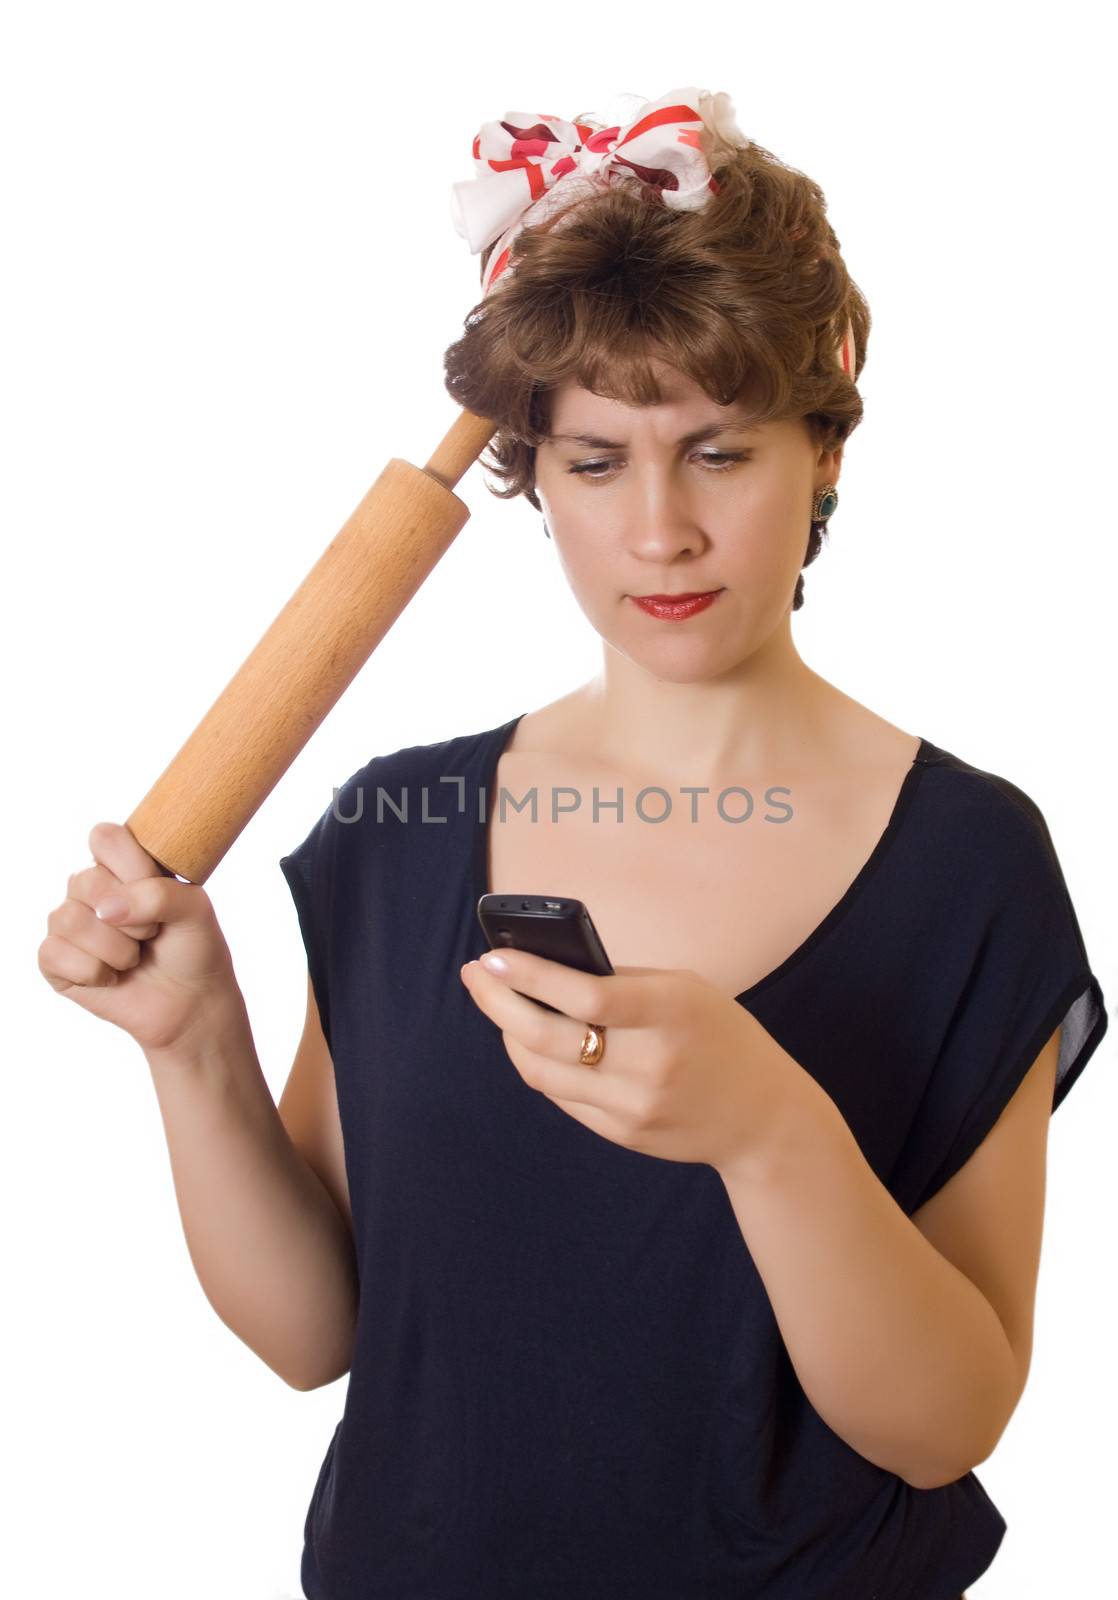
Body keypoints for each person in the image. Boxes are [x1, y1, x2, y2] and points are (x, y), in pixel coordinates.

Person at [39, 88, 1106, 1600]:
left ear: (826, 451)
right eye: (595, 462)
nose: (657, 531)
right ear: (531, 477)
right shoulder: (395, 829)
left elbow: (945, 1425)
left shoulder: (968, 861)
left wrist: (764, 1129)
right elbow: (314, 1337)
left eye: (720, 452)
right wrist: (191, 1046)